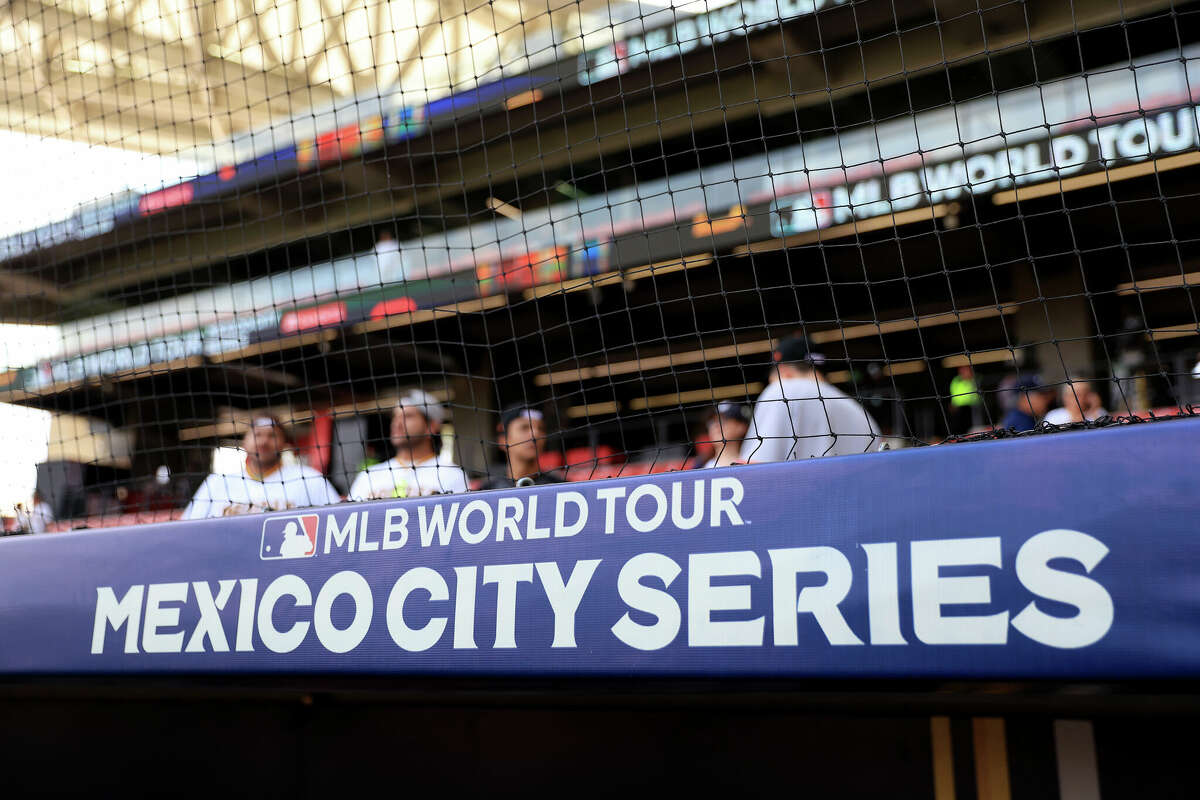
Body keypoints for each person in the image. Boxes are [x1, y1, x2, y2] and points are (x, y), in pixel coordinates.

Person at [741, 335, 880, 463]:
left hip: (800, 488)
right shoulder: (860, 413)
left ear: (782, 370)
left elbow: (753, 468)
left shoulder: (781, 391)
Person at [182, 416, 341, 519]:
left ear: (284, 444)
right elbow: (188, 528)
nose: (264, 441)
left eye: (272, 435)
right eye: (257, 435)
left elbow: (337, 520)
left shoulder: (309, 478)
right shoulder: (217, 482)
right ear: (244, 442)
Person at [348, 390, 469, 500]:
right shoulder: (368, 476)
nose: (397, 423)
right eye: (395, 417)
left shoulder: (452, 475)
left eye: (408, 416)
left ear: (431, 426)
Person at [477, 406, 565, 490]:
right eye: (524, 428)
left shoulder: (562, 488)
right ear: (503, 440)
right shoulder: (486, 491)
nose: (536, 434)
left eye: (541, 428)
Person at [693, 402, 751, 468]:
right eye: (712, 421)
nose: (716, 425)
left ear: (741, 426)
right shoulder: (700, 466)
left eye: (723, 420)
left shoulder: (753, 462)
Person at [1043, 380, 1108, 426]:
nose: (1082, 398)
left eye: (1086, 394)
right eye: (1077, 394)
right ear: (1065, 397)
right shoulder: (1054, 416)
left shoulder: (1099, 412)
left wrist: (1094, 409)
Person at [947, 365, 983, 433]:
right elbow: (954, 392)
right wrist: (953, 404)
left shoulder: (975, 379)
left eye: (966, 370)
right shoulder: (956, 380)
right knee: (960, 425)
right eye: (962, 370)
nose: (964, 372)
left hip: (972, 407)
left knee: (974, 425)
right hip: (959, 408)